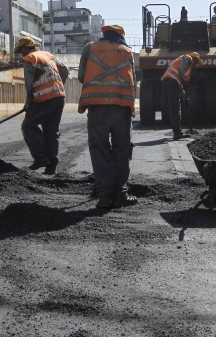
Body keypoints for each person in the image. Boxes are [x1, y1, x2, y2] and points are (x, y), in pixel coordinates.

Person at [78, 24, 137, 209]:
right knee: (122, 149)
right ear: (121, 36)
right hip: (121, 107)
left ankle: (104, 197)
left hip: (97, 107)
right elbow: (133, 78)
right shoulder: (127, 51)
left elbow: (82, 76)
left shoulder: (90, 47)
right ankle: (120, 194)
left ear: (104, 34)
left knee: (100, 149)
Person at [16, 36, 68, 175]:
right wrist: (57, 86)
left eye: (21, 50)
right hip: (59, 97)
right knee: (51, 131)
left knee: (28, 126)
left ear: (26, 48)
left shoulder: (29, 59)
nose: (21, 54)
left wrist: (28, 101)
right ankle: (51, 166)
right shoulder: (47, 55)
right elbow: (65, 70)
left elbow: (29, 82)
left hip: (44, 98)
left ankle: (40, 158)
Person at [161, 52, 202, 140]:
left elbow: (180, 87)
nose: (194, 64)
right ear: (194, 58)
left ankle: (177, 132)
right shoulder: (188, 58)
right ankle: (177, 132)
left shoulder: (180, 73)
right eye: (196, 61)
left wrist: (185, 99)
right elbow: (180, 69)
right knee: (175, 108)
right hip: (171, 83)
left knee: (173, 108)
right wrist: (185, 81)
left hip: (168, 83)